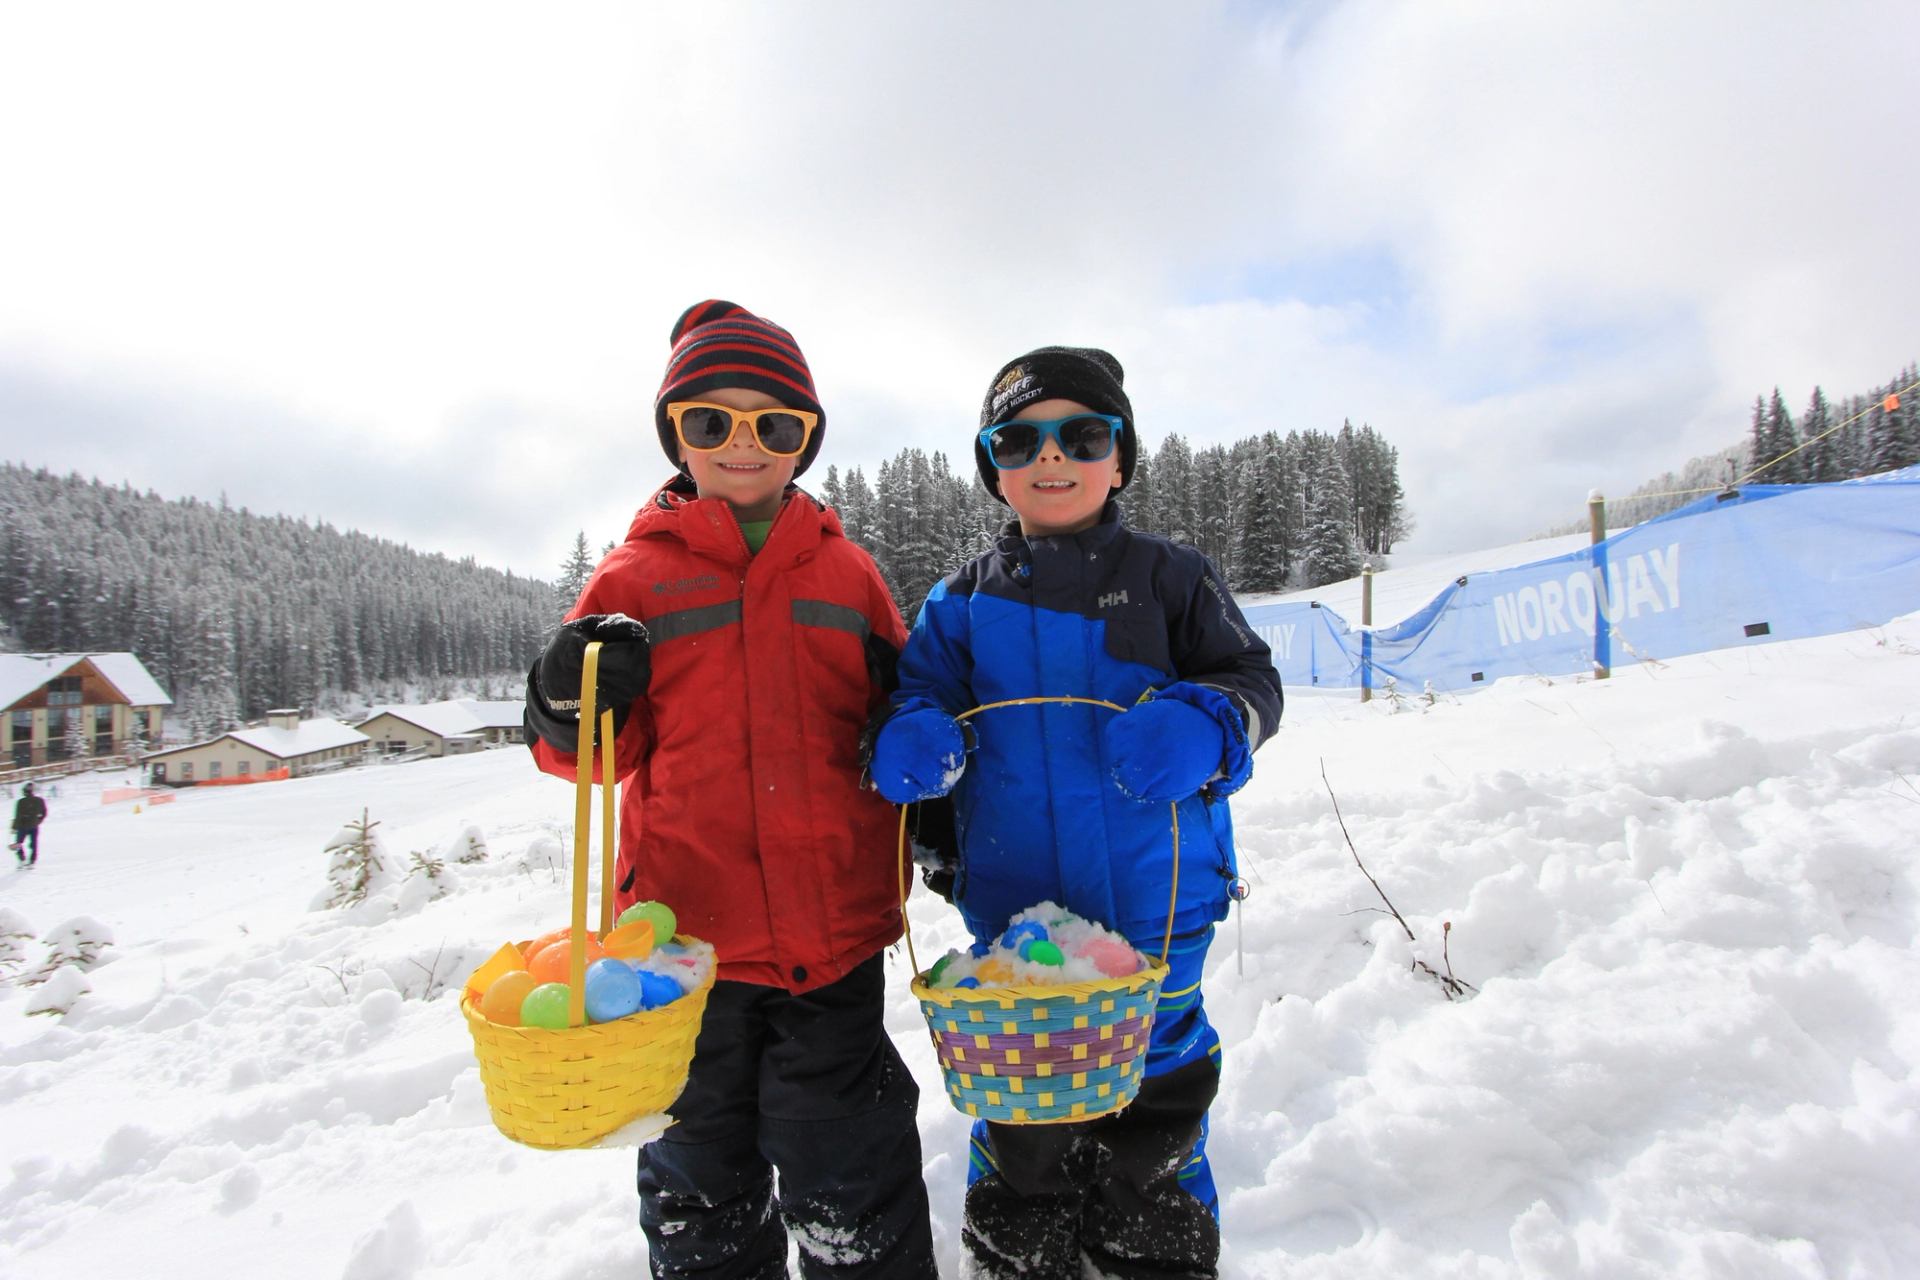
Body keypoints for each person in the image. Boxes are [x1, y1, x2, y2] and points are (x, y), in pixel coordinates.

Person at [522, 300, 937, 1280]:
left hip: (831, 946)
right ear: (677, 432)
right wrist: (561, 698)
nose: (742, 443)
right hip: (678, 958)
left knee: (856, 1179)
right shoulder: (633, 580)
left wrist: (914, 739)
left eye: (773, 423)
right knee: (700, 1187)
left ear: (805, 438)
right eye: (712, 420)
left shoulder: (849, 575)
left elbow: (903, 714)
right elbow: (588, 757)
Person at [865, 345, 1283, 1280]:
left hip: (1157, 900)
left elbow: (1253, 680)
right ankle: (1020, 1250)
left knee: (1158, 1090)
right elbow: (915, 693)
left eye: (1082, 434)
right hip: (1017, 921)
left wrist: (1209, 720)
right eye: (1019, 439)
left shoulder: (1171, 577)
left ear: (1121, 458)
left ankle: (1153, 1246)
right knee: (1022, 1101)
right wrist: (909, 730)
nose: (1051, 456)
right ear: (994, 468)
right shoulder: (960, 602)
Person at [12, 782, 47, 867]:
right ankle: (32, 861)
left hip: (22, 826)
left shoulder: (21, 802)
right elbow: (44, 812)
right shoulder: (39, 800)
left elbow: (18, 815)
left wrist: (14, 827)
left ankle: (22, 859)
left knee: (18, 843)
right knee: (34, 843)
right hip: (34, 825)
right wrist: (38, 821)